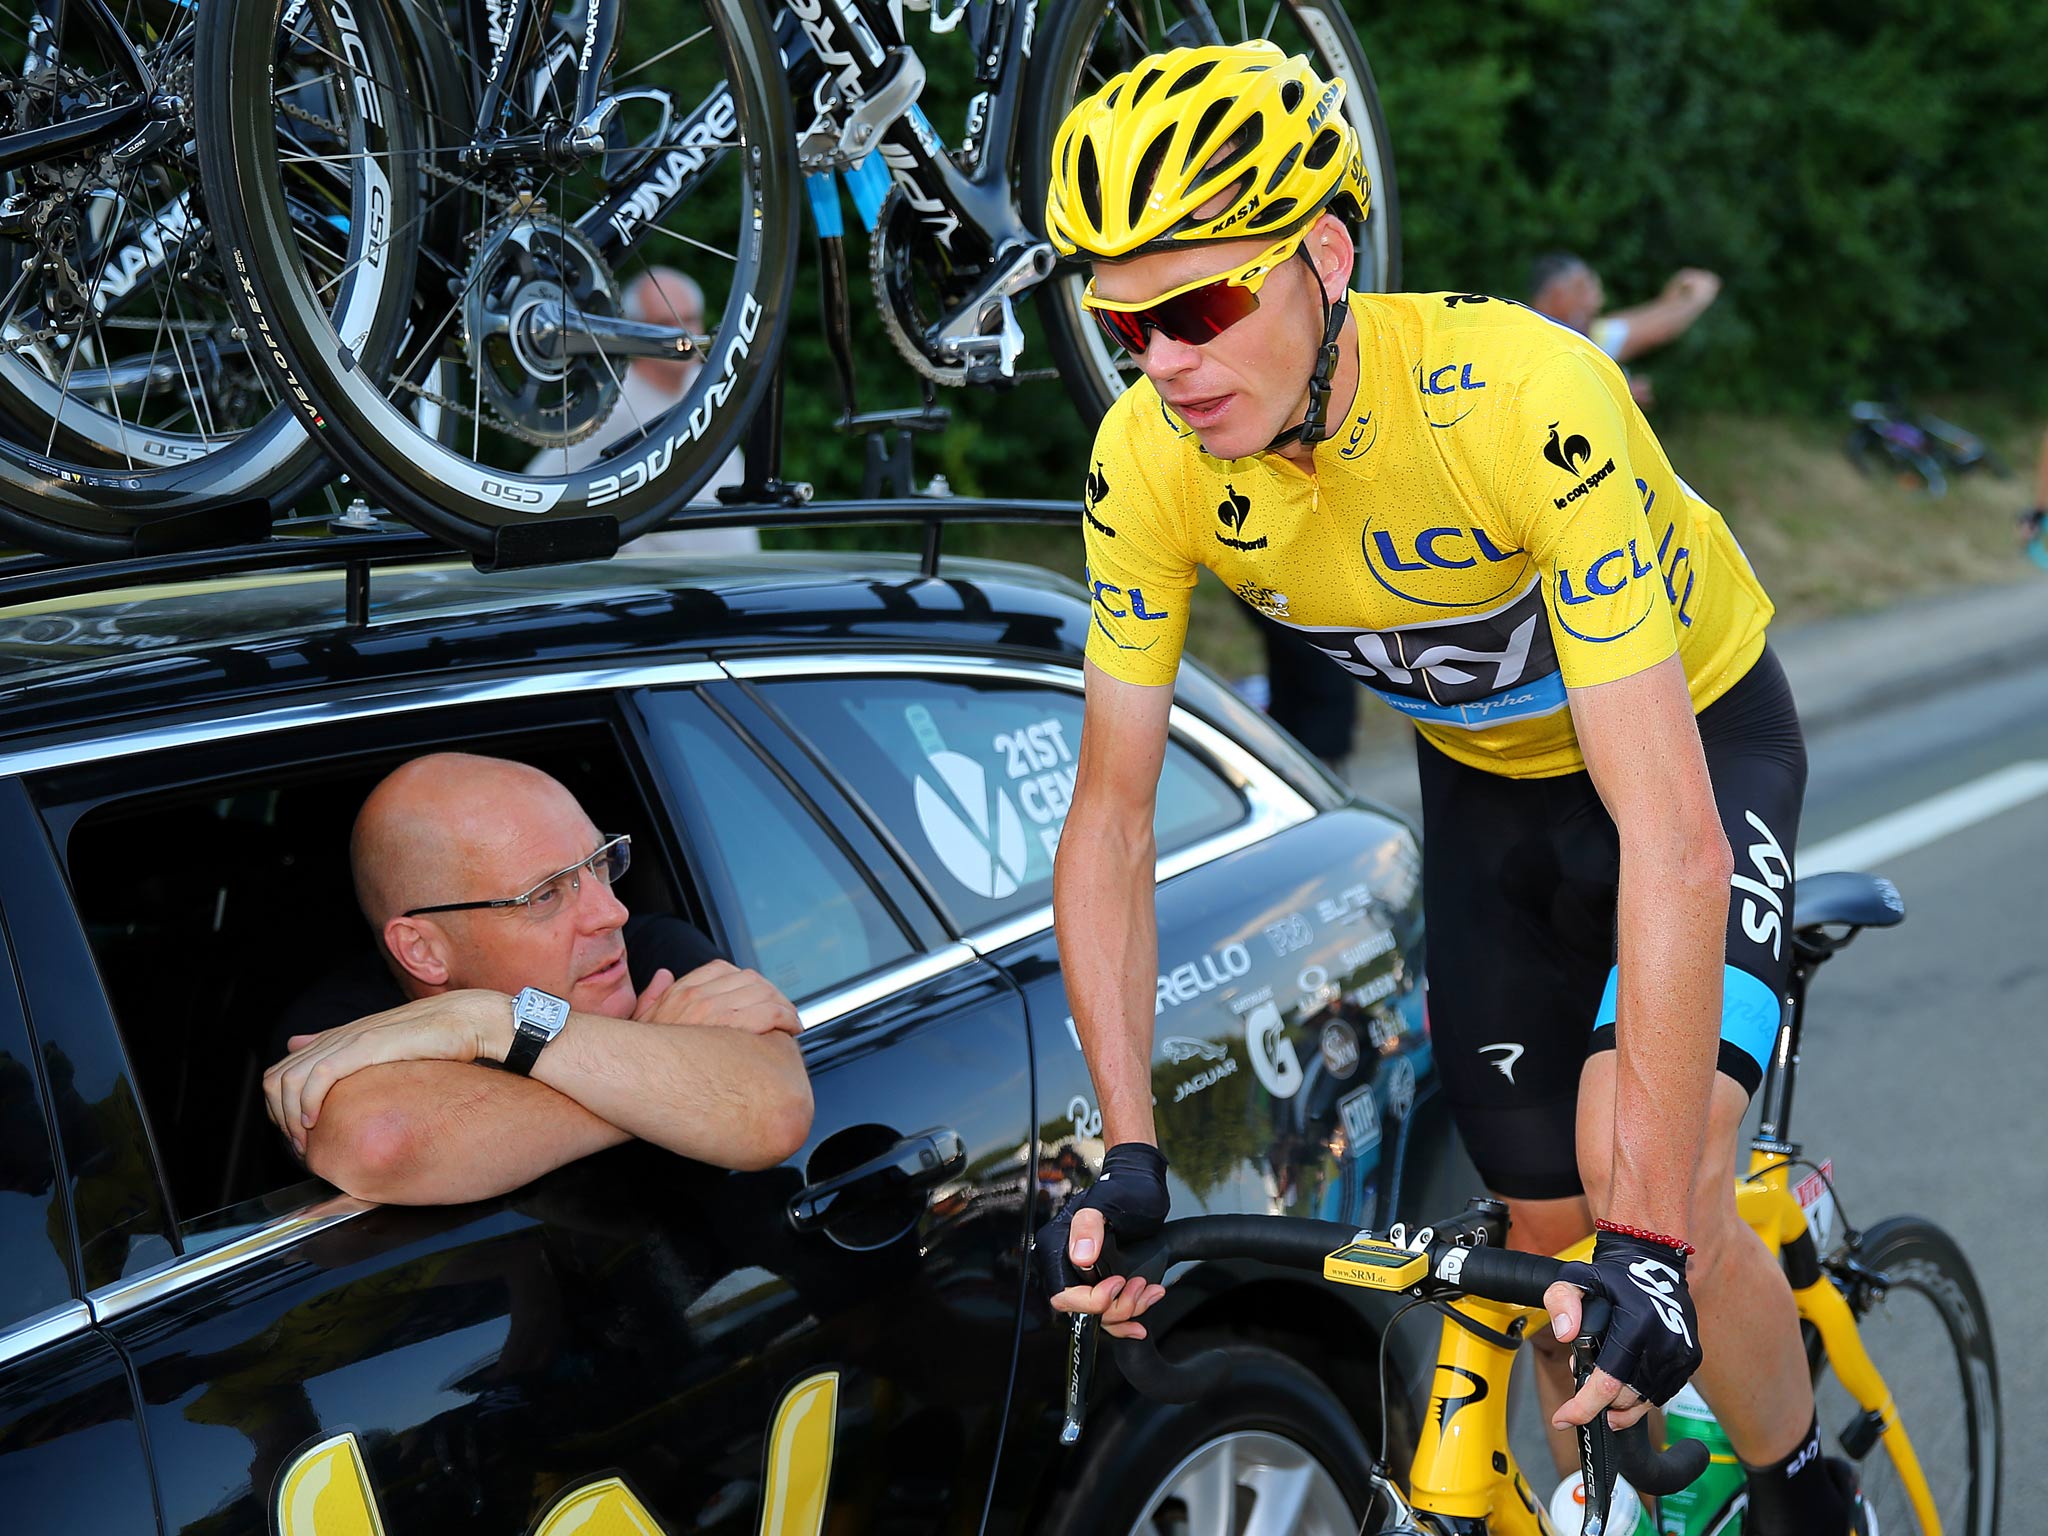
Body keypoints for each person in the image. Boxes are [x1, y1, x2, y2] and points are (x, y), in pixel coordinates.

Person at [1036, 42, 1864, 1535]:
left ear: (1327, 257)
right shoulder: (1146, 462)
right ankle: (1637, 1474)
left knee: (1641, 1172)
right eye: (1122, 319)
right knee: (1548, 1246)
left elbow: (1670, 836)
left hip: (1694, 745)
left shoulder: (1524, 400)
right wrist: (1130, 1145)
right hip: (1485, 790)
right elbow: (1110, 819)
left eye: (1201, 304)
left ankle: (1811, 1492)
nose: (1161, 360)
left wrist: (1659, 1238)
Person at [263, 753, 812, 1204]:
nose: (611, 913)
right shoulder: (343, 1023)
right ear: (423, 950)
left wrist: (494, 1024)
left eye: (598, 863)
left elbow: (775, 1110)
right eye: (545, 894)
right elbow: (382, 1144)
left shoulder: (648, 949)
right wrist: (670, 1089)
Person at [524, 267, 757, 552]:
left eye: (690, 319)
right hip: (664, 587)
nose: (681, 333)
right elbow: (538, 487)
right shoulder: (615, 407)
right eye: (664, 322)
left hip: (738, 580)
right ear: (634, 331)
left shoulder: (709, 385)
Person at [1529, 252, 1721, 409]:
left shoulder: (1584, 336)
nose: (1597, 301)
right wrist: (1611, 394)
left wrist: (1674, 299)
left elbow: (1644, 327)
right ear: (1557, 295)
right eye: (1584, 289)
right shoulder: (1533, 343)